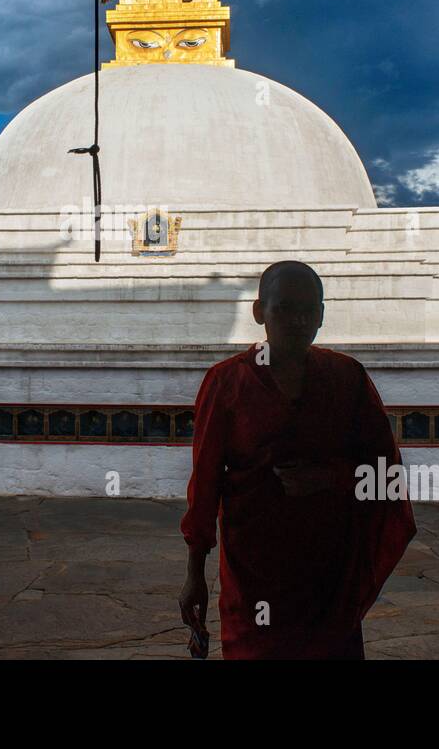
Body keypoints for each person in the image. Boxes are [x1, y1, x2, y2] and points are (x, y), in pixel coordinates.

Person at [178, 260, 416, 658]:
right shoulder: (227, 383)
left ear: (322, 315)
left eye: (308, 310)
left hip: (328, 574)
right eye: (283, 309)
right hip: (254, 572)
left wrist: (331, 478)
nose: (297, 321)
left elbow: (387, 477)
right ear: (259, 313)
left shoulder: (347, 379)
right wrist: (194, 576)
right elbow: (204, 486)